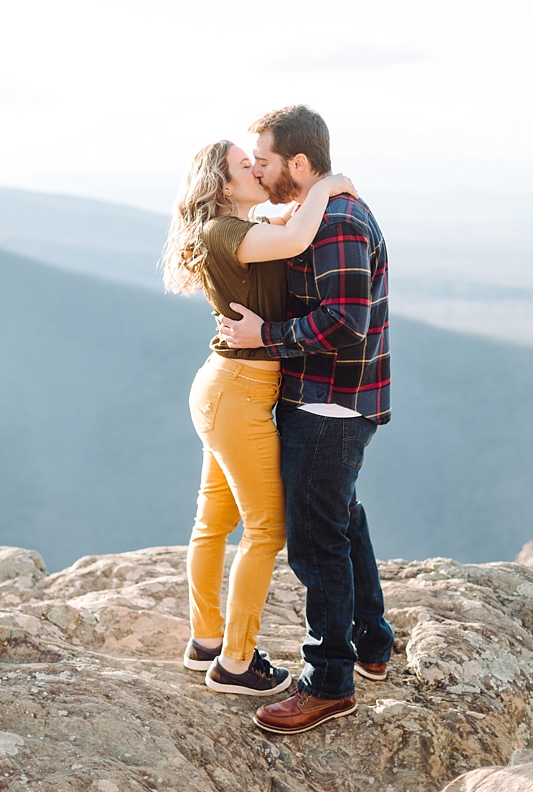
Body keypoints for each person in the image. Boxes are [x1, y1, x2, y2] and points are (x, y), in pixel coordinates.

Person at [217, 104, 394, 736]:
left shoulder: (339, 222)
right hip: (330, 399)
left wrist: (268, 334)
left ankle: (330, 683)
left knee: (317, 545)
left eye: (263, 161)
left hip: (328, 406)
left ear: (297, 161)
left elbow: (347, 322)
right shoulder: (318, 209)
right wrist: (320, 188)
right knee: (343, 520)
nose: (258, 172)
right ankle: (372, 643)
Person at [162, 140, 354, 698]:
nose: (255, 169)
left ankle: (205, 642)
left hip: (224, 387)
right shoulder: (227, 232)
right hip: (239, 393)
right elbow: (295, 238)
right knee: (267, 529)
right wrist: (326, 186)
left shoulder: (235, 226)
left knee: (214, 523)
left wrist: (299, 202)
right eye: (245, 166)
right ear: (222, 185)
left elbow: (284, 224)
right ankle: (236, 662)